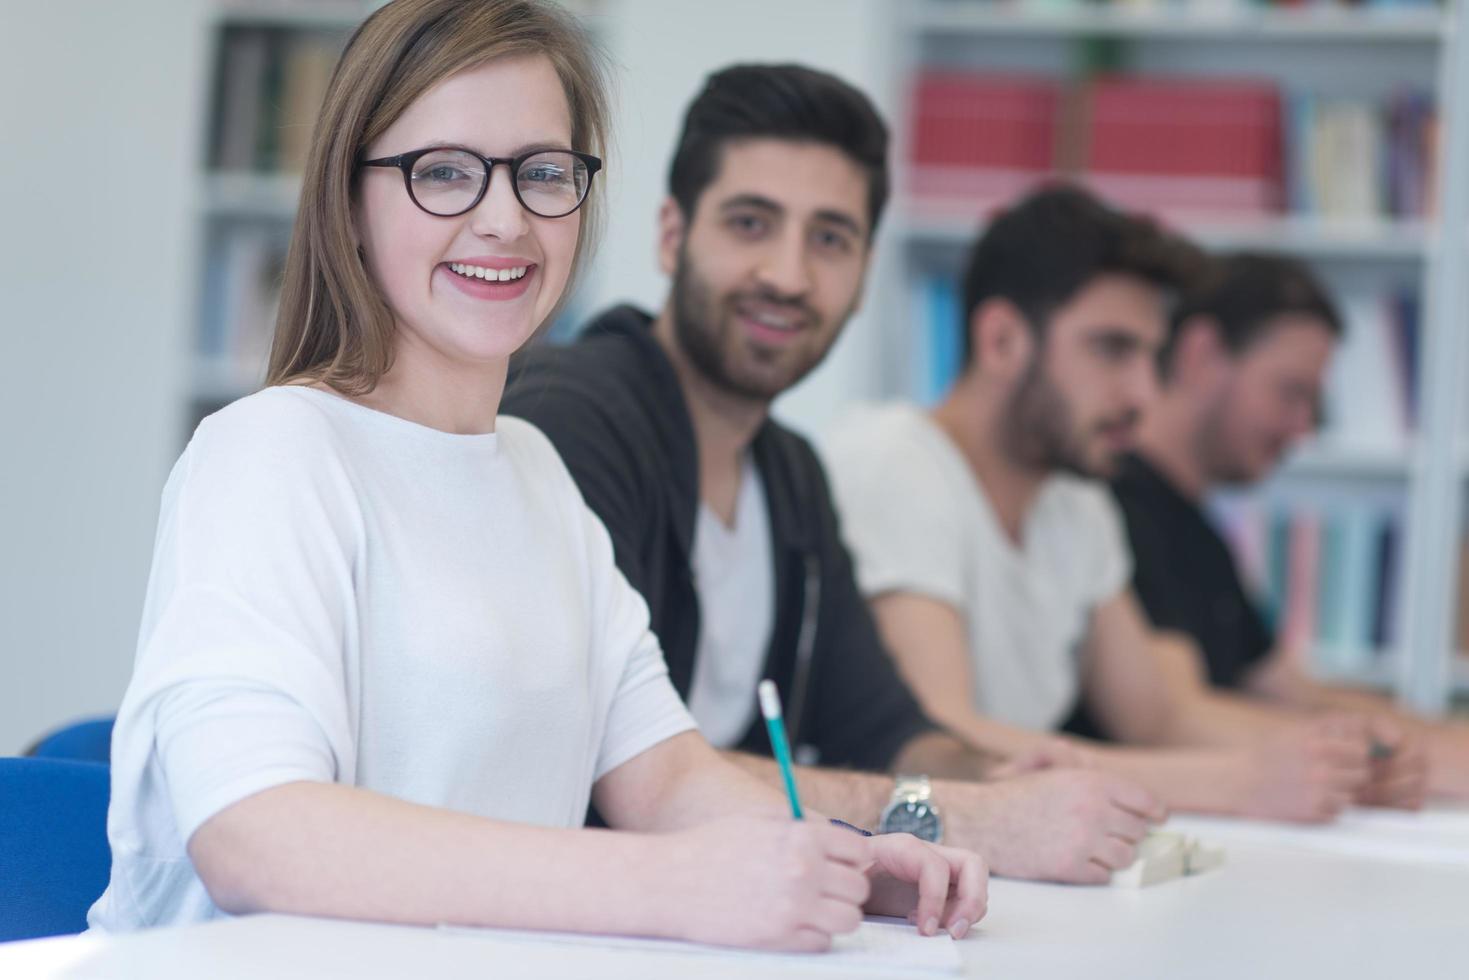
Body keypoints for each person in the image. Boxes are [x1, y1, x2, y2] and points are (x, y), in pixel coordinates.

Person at [88, 0, 987, 950]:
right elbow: (255, 836)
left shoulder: (537, 471)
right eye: (443, 173)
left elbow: (666, 777)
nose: (505, 219)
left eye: (544, 173)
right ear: (349, 206)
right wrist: (666, 885)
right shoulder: (269, 453)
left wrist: (839, 861)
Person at [503, 63, 1165, 885]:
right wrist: (959, 815)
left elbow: (888, 731)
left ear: (862, 273)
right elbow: (610, 768)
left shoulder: (790, 474)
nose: (787, 275)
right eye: (750, 223)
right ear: (672, 235)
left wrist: (997, 775)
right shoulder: (571, 421)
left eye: (828, 238)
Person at [824, 186, 1413, 822]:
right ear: (1000, 341)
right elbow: (937, 734)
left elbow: (1157, 713)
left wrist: (1335, 758)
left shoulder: (1077, 501)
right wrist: (1238, 782)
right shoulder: (896, 460)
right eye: (1111, 349)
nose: (1140, 392)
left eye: (1149, 357)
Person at [1116, 251, 1457, 801]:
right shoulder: (1119, 507)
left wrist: (1441, 739)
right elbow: (1174, 714)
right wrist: (1416, 760)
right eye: (1291, 392)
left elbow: (1289, 690)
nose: (1302, 428)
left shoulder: (1199, 533)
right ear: (1202, 355)